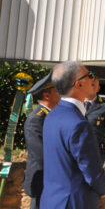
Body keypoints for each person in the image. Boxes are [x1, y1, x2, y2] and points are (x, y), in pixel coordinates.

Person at [41, 61, 105, 208]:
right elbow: (91, 171)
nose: (93, 79)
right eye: (89, 75)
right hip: (74, 202)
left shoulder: (52, 115)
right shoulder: (78, 123)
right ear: (78, 84)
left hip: (51, 200)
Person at [23, 72, 60, 209]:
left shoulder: (53, 116)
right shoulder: (36, 119)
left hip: (55, 181)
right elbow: (41, 155)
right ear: (46, 95)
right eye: (58, 90)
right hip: (43, 181)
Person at [85, 78, 105, 172]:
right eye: (88, 84)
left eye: (93, 85)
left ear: (98, 88)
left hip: (97, 154)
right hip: (77, 153)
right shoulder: (76, 104)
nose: (90, 87)